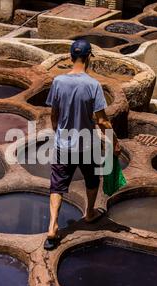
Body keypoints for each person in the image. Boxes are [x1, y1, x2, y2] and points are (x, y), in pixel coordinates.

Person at [44, 39, 121, 250]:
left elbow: (54, 114)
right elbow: (103, 121)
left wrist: (58, 133)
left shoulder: (58, 82)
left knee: (57, 185)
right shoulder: (93, 85)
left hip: (63, 144)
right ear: (89, 58)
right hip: (86, 144)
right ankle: (89, 213)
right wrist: (115, 141)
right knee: (92, 179)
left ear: (71, 57)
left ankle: (52, 226)